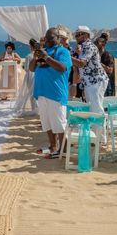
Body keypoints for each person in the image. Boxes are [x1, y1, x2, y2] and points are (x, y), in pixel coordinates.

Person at [30, 28, 72, 157]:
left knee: (59, 123)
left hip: (56, 93)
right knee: (46, 122)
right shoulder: (44, 51)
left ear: (58, 38)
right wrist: (35, 57)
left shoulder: (63, 51)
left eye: (51, 38)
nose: (48, 41)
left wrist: (46, 57)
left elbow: (62, 67)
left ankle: (63, 149)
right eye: (47, 39)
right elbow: (32, 68)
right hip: (41, 92)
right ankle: (53, 146)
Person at [71, 26, 108, 114]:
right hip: (90, 82)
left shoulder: (89, 46)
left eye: (78, 35)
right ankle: (97, 127)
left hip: (96, 81)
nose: (76, 37)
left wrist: (68, 57)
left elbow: (82, 63)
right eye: (75, 35)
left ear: (85, 35)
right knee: (93, 108)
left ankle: (100, 127)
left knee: (96, 108)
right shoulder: (83, 47)